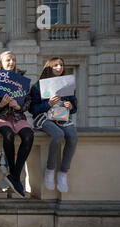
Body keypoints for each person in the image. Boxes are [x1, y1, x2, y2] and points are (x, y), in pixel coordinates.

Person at [0, 51, 34, 197]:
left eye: (13, 60)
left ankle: (14, 174)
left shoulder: (21, 79)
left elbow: (28, 101)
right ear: (1, 62)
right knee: (8, 135)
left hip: (17, 116)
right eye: (8, 60)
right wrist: (1, 104)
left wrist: (18, 106)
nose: (11, 62)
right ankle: (14, 177)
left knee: (29, 135)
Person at [29, 57, 78, 192]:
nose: (59, 67)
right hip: (44, 118)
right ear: (49, 67)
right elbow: (32, 109)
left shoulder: (67, 84)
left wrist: (70, 106)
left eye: (61, 65)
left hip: (62, 118)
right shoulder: (38, 86)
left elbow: (74, 108)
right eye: (55, 65)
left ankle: (63, 172)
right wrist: (48, 104)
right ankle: (50, 170)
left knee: (73, 137)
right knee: (58, 135)